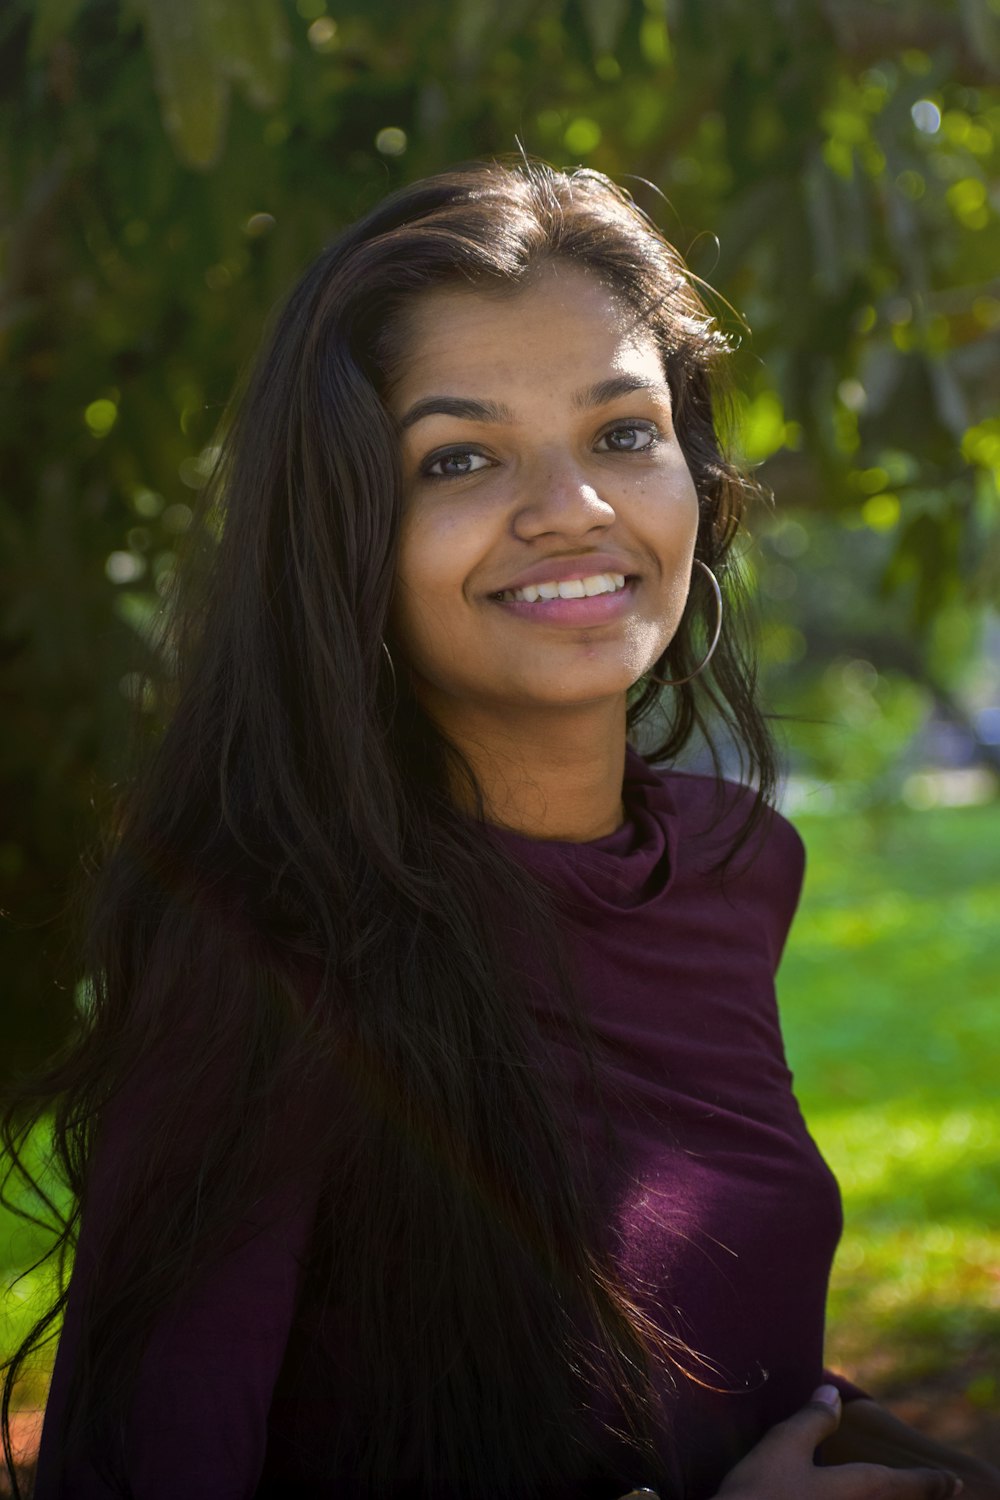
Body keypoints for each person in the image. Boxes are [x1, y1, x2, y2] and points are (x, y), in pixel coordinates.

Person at [3, 160, 996, 1500]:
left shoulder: (729, 870)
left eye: (622, 435)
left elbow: (722, 1366)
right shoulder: (266, 966)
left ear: (697, 480)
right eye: (460, 457)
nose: (573, 508)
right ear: (344, 530)